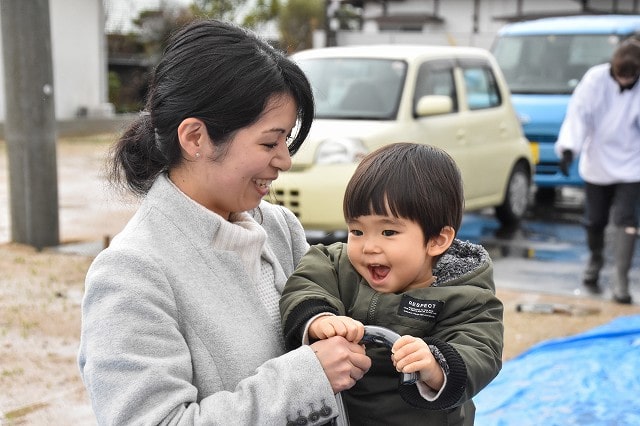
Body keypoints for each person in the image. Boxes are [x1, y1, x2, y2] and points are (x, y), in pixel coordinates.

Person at [77, 19, 371, 425]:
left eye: (286, 141)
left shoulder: (279, 228)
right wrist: (308, 376)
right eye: (269, 142)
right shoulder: (132, 272)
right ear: (195, 137)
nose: (284, 160)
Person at [280, 143, 504, 425]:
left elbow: (480, 349)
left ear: (437, 240)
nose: (369, 247)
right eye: (357, 231)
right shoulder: (337, 265)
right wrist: (319, 319)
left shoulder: (466, 295)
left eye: (388, 232)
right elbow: (306, 284)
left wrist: (434, 366)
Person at [555, 36, 640, 304]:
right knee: (595, 220)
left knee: (627, 220)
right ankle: (595, 259)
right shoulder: (595, 79)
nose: (625, 81)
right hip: (599, 159)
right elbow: (578, 115)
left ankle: (620, 278)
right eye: (621, 76)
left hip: (632, 162)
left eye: (631, 77)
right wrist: (569, 147)